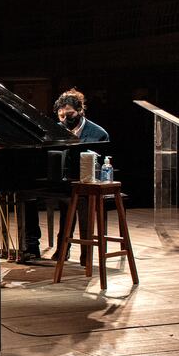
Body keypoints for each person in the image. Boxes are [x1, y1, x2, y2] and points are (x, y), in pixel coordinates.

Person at [50, 88, 109, 263]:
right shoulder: (56, 130)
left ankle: (86, 253)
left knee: (83, 203)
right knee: (65, 208)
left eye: (69, 114)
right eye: (61, 116)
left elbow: (101, 162)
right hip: (66, 181)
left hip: (90, 182)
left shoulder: (98, 133)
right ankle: (63, 250)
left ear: (80, 111)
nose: (65, 119)